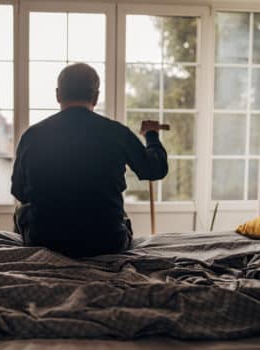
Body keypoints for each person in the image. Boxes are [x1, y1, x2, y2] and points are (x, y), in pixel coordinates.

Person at [11, 63, 168, 258]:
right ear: (95, 96)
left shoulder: (32, 135)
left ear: (58, 94)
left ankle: (29, 260)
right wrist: (151, 135)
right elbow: (155, 169)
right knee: (121, 218)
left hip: (46, 240)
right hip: (107, 241)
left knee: (22, 211)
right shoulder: (117, 133)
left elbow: (18, 191)